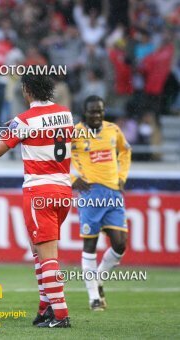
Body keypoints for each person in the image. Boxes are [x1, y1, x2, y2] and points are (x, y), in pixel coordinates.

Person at [0, 75, 73, 328]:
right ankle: (45, 308)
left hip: (40, 192)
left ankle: (60, 315)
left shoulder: (22, 121)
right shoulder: (66, 114)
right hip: (63, 191)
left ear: (27, 91)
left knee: (47, 255)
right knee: (38, 251)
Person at [71, 95, 131, 311]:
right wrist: (72, 179)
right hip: (90, 194)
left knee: (120, 244)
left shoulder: (113, 130)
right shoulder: (75, 133)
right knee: (90, 245)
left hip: (114, 193)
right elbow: (57, 158)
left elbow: (125, 151)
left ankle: (98, 278)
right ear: (84, 112)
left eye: (100, 111)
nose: (96, 115)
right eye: (92, 111)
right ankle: (93, 297)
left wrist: (122, 176)